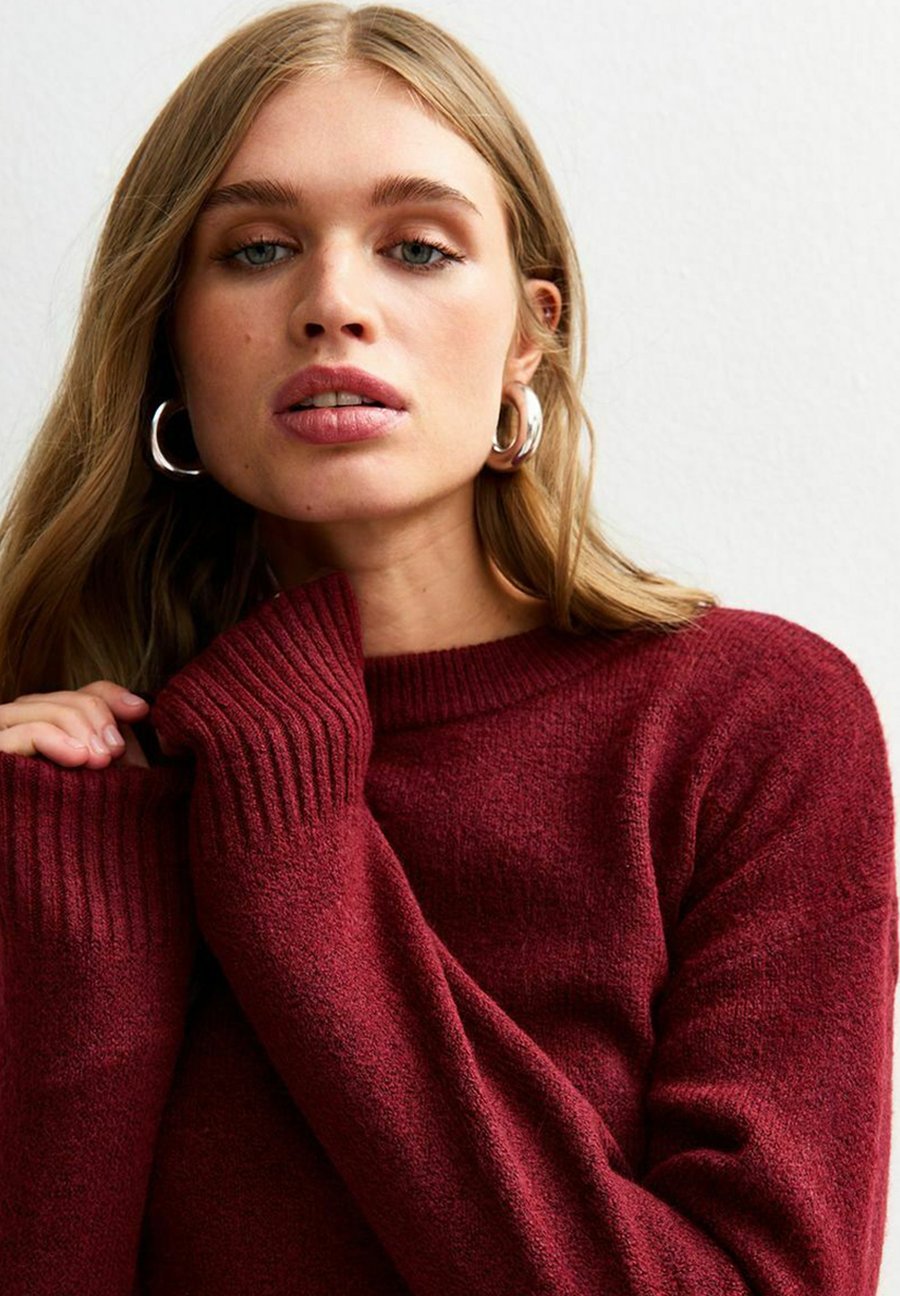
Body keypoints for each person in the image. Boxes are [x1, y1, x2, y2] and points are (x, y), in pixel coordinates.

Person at [0, 4, 895, 1293]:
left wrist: (298, 867)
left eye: (417, 248)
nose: (332, 305)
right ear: (167, 342)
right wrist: (73, 920)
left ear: (530, 332)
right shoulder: (72, 781)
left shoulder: (749, 724)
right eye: (257, 249)